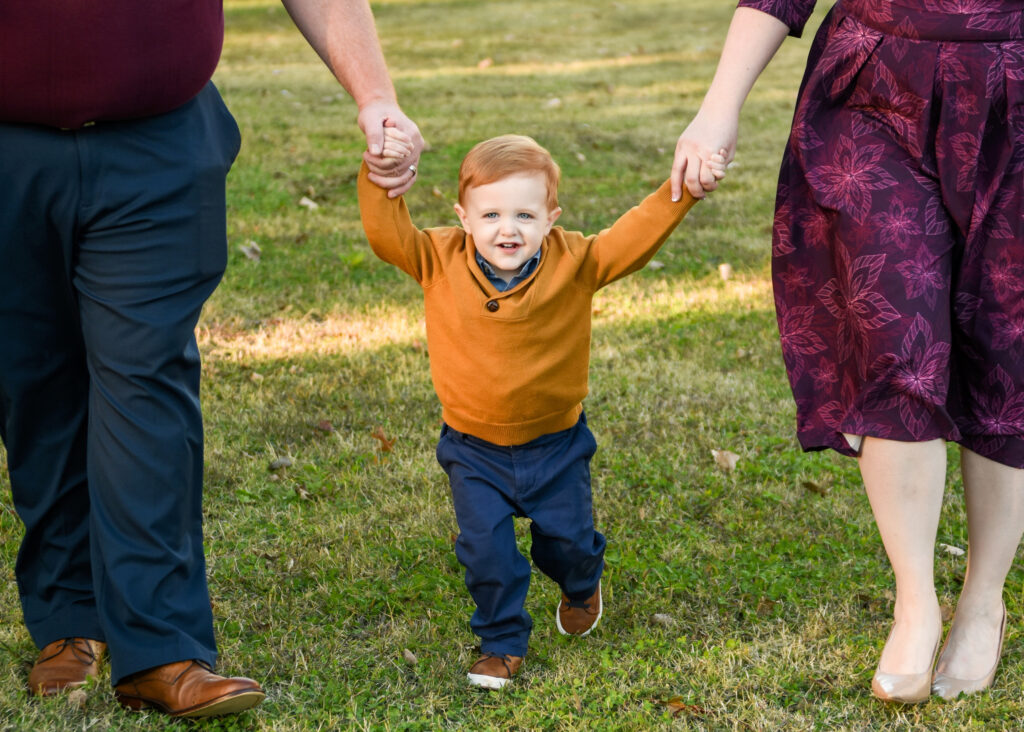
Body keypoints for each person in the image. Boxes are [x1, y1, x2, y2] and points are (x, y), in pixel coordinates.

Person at [0, 0, 422, 718]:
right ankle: (70, 618)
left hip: (159, 141)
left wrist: (376, 94)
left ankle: (161, 647)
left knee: (147, 379)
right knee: (32, 382)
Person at [673, 0, 1024, 704]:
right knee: (891, 337)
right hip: (875, 89)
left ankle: (983, 599)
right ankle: (915, 602)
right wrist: (719, 104)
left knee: (1008, 352)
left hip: (1013, 87)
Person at [360, 130, 722, 688]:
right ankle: (501, 642)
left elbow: (633, 236)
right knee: (486, 552)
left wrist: (685, 191)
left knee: (568, 544)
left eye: (526, 215)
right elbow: (387, 235)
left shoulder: (575, 261)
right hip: (473, 448)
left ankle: (582, 582)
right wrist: (380, 175)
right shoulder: (437, 257)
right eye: (492, 215)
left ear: (552, 217)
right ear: (464, 217)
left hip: (555, 444)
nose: (509, 229)